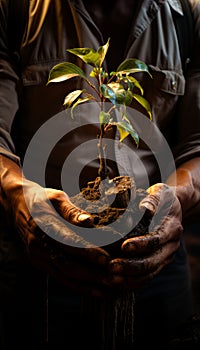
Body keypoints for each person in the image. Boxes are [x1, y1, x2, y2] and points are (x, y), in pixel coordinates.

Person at [0, 0, 200, 349]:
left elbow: (198, 144)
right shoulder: (14, 10)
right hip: (38, 265)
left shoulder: (190, 14)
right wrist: (19, 195)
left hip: (158, 265)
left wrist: (177, 198)